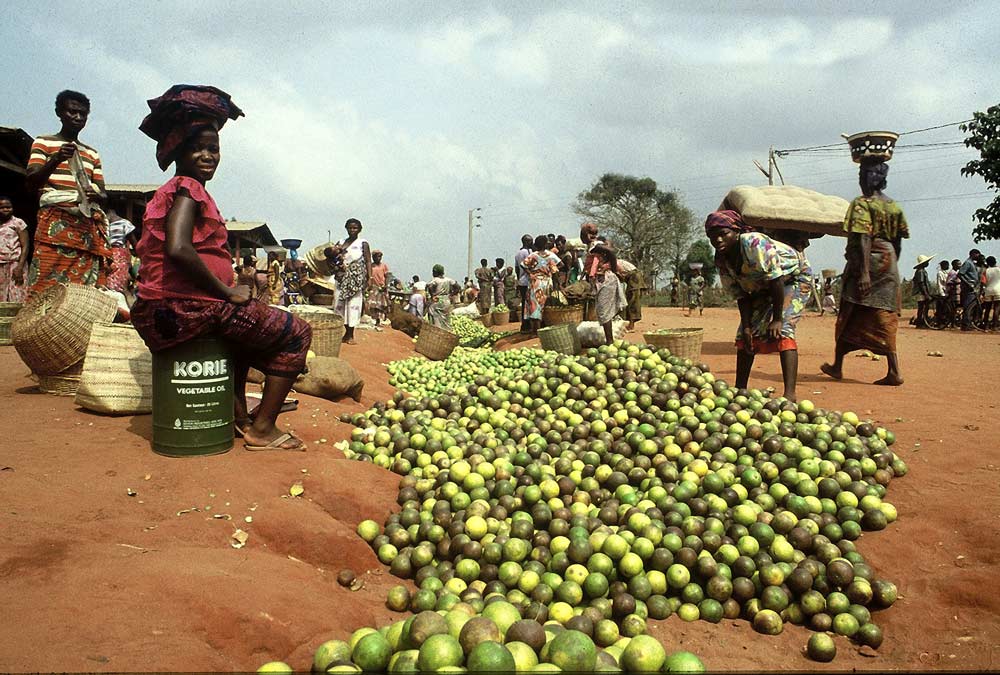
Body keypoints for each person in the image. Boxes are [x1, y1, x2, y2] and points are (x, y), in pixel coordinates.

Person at [130, 83, 311, 451]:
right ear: (178, 150)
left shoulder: (173, 189)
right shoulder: (188, 189)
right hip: (189, 307)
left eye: (213, 148)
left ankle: (239, 416)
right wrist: (227, 291)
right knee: (297, 334)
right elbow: (179, 248)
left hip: (168, 309)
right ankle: (263, 430)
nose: (207, 155)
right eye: (196, 148)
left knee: (243, 341)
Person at [707, 210, 812, 402]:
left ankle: (790, 395)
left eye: (724, 234)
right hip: (762, 287)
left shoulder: (753, 243)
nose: (718, 240)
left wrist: (777, 319)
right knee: (744, 335)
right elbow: (741, 295)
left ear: (736, 231)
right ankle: (740, 390)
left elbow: (776, 280)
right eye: (713, 237)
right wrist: (747, 326)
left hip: (793, 278)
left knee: (784, 330)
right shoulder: (722, 260)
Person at [821, 160, 908, 386]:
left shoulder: (861, 204)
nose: (862, 178)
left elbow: (863, 238)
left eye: (865, 173)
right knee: (884, 316)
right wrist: (891, 266)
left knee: (848, 313)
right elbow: (897, 243)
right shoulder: (893, 206)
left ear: (875, 178)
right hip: (888, 264)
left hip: (866, 264)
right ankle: (892, 370)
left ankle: (839, 366)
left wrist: (864, 274)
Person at [25, 90, 113, 297]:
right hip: (54, 223)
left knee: (81, 289)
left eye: (83, 114)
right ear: (59, 112)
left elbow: (104, 195)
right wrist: (55, 159)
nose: (78, 118)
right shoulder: (43, 143)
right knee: (46, 279)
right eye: (72, 112)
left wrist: (97, 195)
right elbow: (31, 182)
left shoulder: (92, 153)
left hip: (85, 226)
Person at [329, 218, 371, 344]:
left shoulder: (363, 243)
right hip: (342, 277)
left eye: (355, 228)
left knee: (353, 305)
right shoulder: (341, 242)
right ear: (346, 228)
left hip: (356, 278)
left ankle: (350, 334)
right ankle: (344, 332)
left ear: (360, 229)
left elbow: (368, 261)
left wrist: (370, 278)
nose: (352, 230)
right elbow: (332, 256)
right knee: (339, 304)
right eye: (350, 228)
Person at [522, 235, 561, 334]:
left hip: (535, 282)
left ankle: (535, 331)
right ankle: (542, 329)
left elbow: (523, 265)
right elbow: (560, 265)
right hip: (547, 282)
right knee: (545, 305)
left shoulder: (533, 255)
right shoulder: (551, 255)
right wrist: (551, 270)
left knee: (534, 306)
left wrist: (530, 273)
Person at [590, 243, 627, 344]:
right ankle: (609, 339)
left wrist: (600, 247)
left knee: (604, 311)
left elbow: (612, 253)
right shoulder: (595, 257)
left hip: (607, 281)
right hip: (600, 282)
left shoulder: (608, 258)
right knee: (602, 311)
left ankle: (609, 341)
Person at [0, 196, 29, 302]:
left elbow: (25, 246)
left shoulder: (18, 223)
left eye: (8, 207)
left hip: (15, 264)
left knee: (17, 294)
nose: (5, 210)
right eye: (2, 207)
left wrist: (20, 267)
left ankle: (19, 318)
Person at [105, 207, 137, 294]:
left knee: (108, 284)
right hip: (119, 257)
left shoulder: (103, 224)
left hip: (106, 255)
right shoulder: (125, 223)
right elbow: (134, 243)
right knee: (119, 285)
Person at [426, 264, 460, 329]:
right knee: (446, 318)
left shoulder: (435, 280)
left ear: (436, 272)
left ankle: (436, 329)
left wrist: (432, 295)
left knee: (433, 313)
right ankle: (446, 330)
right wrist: (452, 294)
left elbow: (429, 286)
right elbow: (458, 287)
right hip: (447, 300)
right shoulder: (449, 279)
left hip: (438, 299)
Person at [958, 249, 983, 330]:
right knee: (968, 305)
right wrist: (968, 284)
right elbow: (960, 274)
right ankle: (965, 324)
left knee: (970, 305)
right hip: (968, 287)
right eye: (977, 254)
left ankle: (967, 323)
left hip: (972, 287)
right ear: (973, 254)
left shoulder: (972, 263)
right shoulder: (968, 263)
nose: (978, 256)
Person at [514, 234, 533, 331]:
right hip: (529, 281)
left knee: (524, 303)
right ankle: (528, 325)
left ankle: (524, 325)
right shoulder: (529, 253)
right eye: (530, 241)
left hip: (522, 281)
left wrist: (519, 279)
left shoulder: (518, 254)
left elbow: (516, 269)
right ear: (527, 242)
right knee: (529, 304)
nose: (532, 243)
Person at [367, 249, 390, 327]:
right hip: (374, 288)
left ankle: (382, 319)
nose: (378, 258)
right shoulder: (371, 266)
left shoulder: (384, 266)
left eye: (380, 256)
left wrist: (386, 285)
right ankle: (376, 320)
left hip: (382, 288)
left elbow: (387, 276)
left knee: (383, 305)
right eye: (376, 256)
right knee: (374, 305)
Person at [911, 254, 934, 328]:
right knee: (922, 307)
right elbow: (921, 283)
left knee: (924, 307)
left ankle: (922, 322)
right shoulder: (920, 271)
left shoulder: (922, 271)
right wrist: (926, 294)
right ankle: (920, 323)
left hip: (922, 292)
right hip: (921, 292)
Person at [981, 255, 999, 330]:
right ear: (995, 261)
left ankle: (986, 326)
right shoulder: (999, 269)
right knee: (997, 308)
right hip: (998, 290)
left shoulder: (986, 271)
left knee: (987, 309)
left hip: (988, 290)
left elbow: (983, 282)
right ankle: (994, 326)